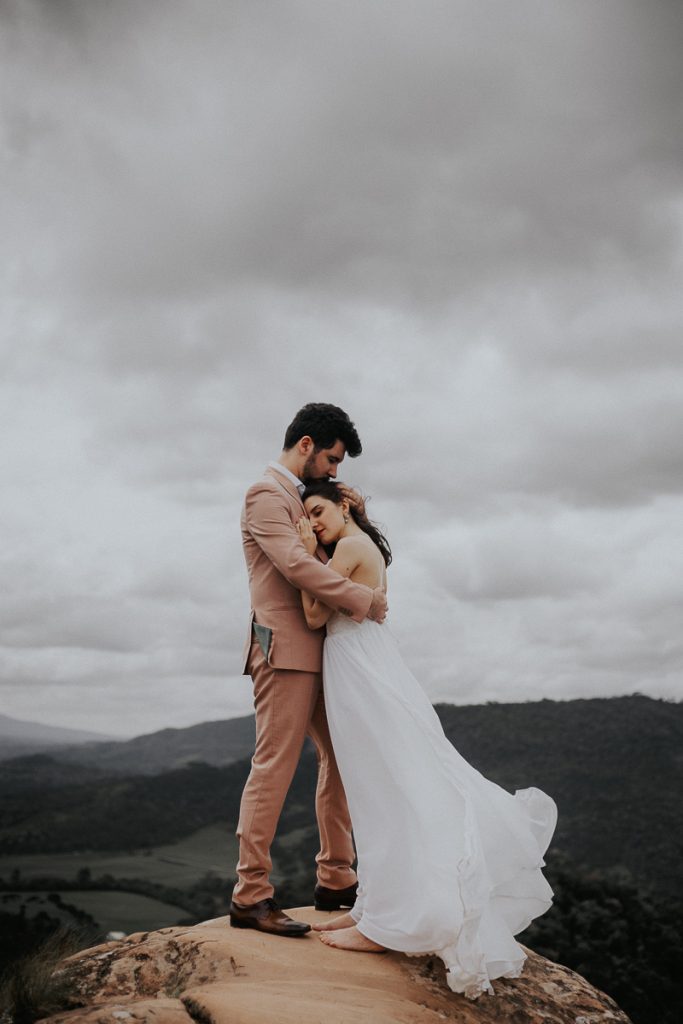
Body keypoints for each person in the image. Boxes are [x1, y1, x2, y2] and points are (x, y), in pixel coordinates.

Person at [295, 479, 557, 998]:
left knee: (384, 789)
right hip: (364, 665)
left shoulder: (346, 547)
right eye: (309, 516)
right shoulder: (356, 545)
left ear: (344, 505)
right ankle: (376, 910)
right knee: (378, 790)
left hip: (360, 671)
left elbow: (311, 614)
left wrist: (305, 555)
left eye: (319, 511)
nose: (315, 522)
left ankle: (382, 923)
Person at [230, 404, 388, 938]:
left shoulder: (303, 499)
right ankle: (250, 896)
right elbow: (296, 567)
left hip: (326, 650)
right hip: (284, 652)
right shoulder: (264, 496)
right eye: (332, 458)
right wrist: (364, 600)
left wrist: (355, 514)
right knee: (274, 766)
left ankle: (336, 879)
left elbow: (337, 552)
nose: (335, 471)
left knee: (342, 758)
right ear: (305, 445)